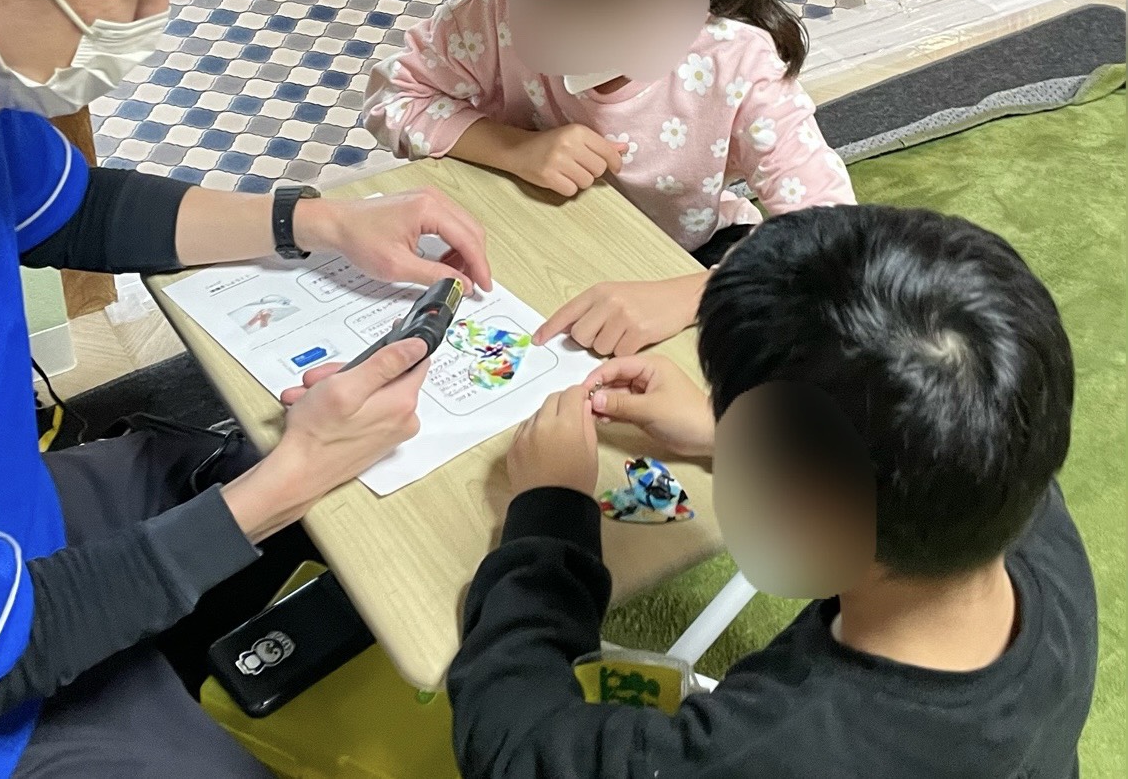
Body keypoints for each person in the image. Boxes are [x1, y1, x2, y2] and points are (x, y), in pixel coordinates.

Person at [0, 0, 491, 779]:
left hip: (11, 516)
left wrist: (321, 222)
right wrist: (290, 477)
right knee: (276, 492)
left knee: (214, 466)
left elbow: (81, 209)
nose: (157, 8)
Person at [448, 205, 1097, 779]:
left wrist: (547, 516)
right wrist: (724, 438)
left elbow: (517, 747)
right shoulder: (1019, 504)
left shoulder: (769, 752)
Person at [363, 0, 854, 358]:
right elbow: (393, 97)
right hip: (537, 237)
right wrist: (515, 149)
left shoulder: (735, 63)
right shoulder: (496, 12)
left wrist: (694, 295)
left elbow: (834, 234)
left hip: (688, 257)